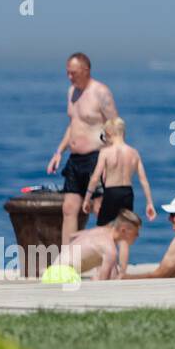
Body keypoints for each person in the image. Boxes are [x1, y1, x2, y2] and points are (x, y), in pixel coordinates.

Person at [46, 53, 118, 247]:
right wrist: (59, 152)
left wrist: (110, 158)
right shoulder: (72, 92)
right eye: (67, 73)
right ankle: (68, 262)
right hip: (75, 159)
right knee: (69, 208)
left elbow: (115, 126)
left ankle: (107, 262)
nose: (70, 77)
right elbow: (73, 125)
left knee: (99, 208)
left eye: (74, 73)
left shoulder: (101, 92)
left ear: (86, 70)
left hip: (97, 158)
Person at [84, 117, 157, 227]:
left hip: (111, 192)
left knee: (104, 230)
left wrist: (87, 199)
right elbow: (144, 181)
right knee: (125, 231)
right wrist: (149, 203)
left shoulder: (105, 152)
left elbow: (95, 178)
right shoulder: (134, 153)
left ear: (109, 133)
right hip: (127, 193)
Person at [63, 210, 142, 280]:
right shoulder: (110, 250)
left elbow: (72, 236)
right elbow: (102, 284)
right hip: (63, 275)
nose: (138, 235)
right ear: (123, 230)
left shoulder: (100, 230)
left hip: (55, 270)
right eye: (136, 232)